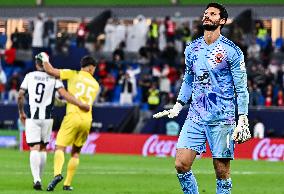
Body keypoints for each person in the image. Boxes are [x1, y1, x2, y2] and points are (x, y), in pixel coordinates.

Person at [153, 3, 251, 194]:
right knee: (181, 164)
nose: (207, 16)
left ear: (222, 21)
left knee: (221, 171)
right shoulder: (192, 48)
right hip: (196, 115)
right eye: (206, 13)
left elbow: (241, 88)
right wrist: (179, 104)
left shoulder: (232, 51)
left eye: (213, 14)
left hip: (223, 117)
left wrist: (243, 117)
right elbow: (189, 79)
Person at [17, 54, 90, 190]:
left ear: (36, 63)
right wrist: (77, 103)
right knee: (43, 148)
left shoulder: (29, 76)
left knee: (34, 148)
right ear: (46, 63)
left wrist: (21, 112)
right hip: (47, 119)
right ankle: (40, 177)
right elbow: (62, 95)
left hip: (33, 118)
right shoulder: (54, 77)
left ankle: (36, 179)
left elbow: (20, 95)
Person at [38, 52, 100, 191]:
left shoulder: (73, 74)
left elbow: (50, 71)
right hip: (87, 119)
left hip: (73, 115)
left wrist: (45, 58)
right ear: (90, 68)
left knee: (59, 147)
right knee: (76, 152)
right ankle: (67, 184)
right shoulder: (96, 85)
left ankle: (57, 174)